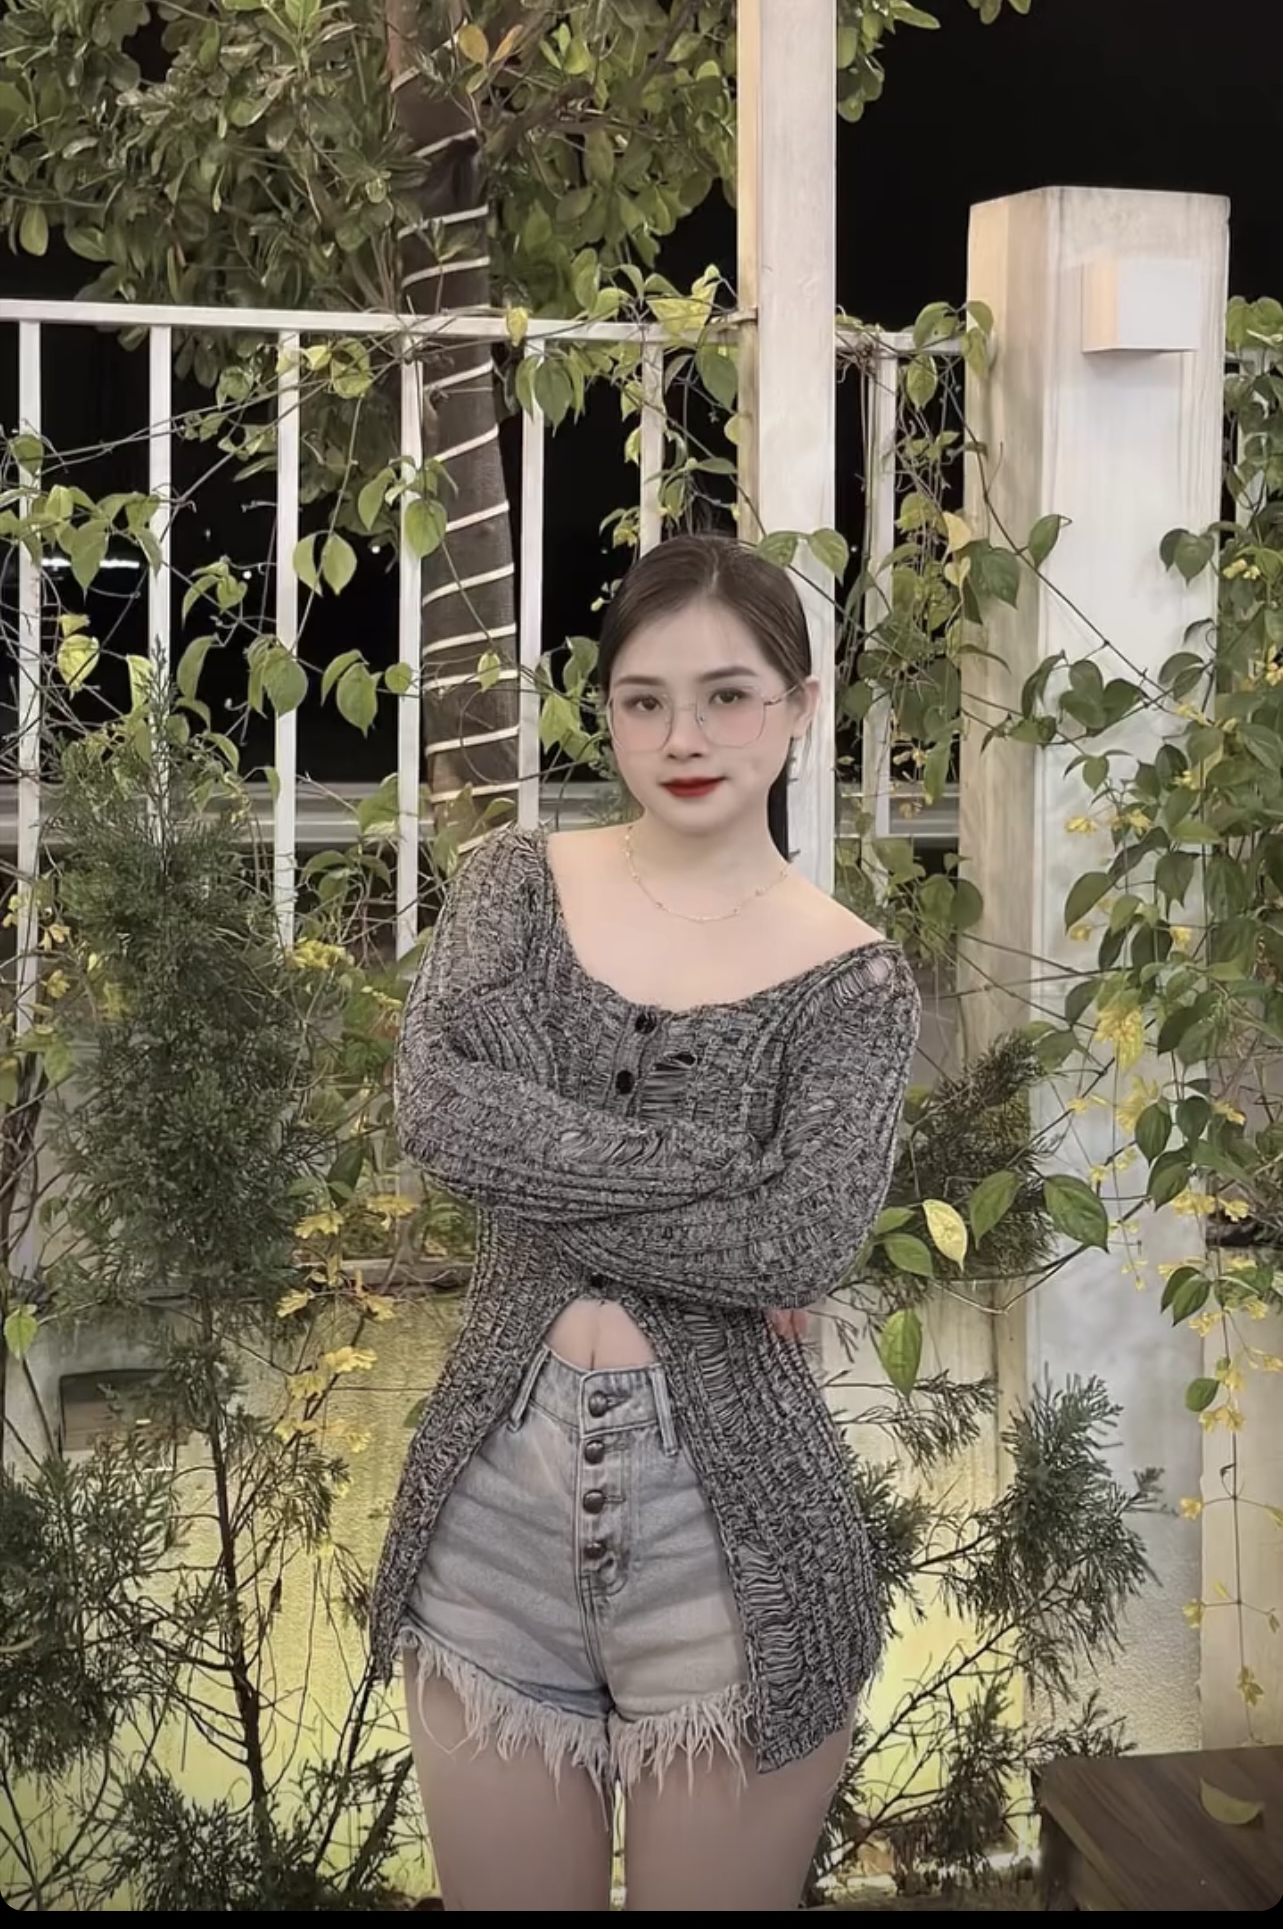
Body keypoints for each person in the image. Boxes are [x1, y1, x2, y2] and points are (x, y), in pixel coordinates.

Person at [370, 532, 921, 1911]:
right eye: (645, 699)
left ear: (799, 706)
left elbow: (797, 1245)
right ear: (607, 711)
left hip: (735, 1548)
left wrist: (543, 1175)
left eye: (729, 695)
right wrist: (714, 1167)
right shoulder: (513, 886)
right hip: (490, 1518)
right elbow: (438, 1110)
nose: (685, 736)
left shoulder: (853, 983)